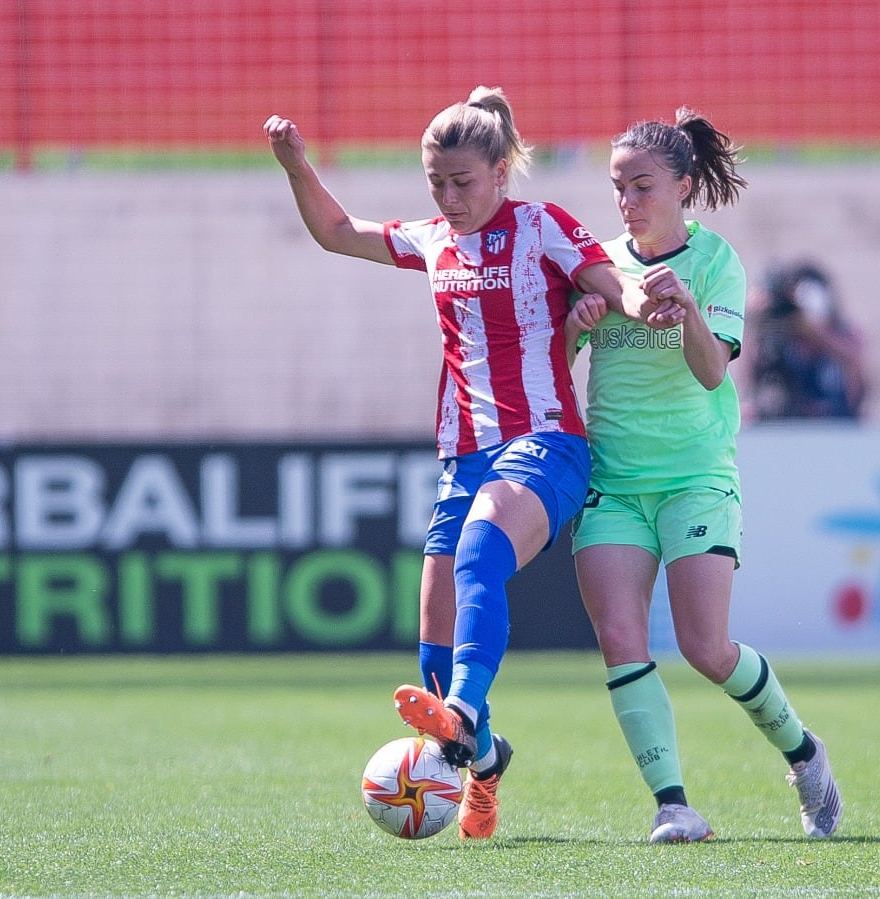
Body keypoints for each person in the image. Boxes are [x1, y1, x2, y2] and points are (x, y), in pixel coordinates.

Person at [263, 87, 681, 840]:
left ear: (499, 171)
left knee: (481, 551)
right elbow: (334, 230)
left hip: (549, 441)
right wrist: (296, 164)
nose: (450, 198)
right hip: (464, 456)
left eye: (463, 182)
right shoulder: (432, 241)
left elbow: (605, 279)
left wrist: (638, 300)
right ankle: (482, 757)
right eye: (437, 184)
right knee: (433, 634)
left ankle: (458, 712)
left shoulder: (542, 226)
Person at [566, 110, 843, 843]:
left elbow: (712, 367)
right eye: (618, 186)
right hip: (614, 483)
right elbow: (552, 374)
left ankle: (804, 752)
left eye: (642, 185)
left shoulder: (716, 262)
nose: (627, 200)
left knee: (706, 647)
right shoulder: (595, 260)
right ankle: (674, 805)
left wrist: (687, 307)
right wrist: (573, 326)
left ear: (684, 186)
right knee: (622, 637)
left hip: (695, 478)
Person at [746, 261, 867, 421]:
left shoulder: (844, 334)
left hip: (836, 426)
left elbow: (857, 375)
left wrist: (818, 334)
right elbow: (751, 383)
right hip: (788, 427)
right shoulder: (781, 340)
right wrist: (757, 327)